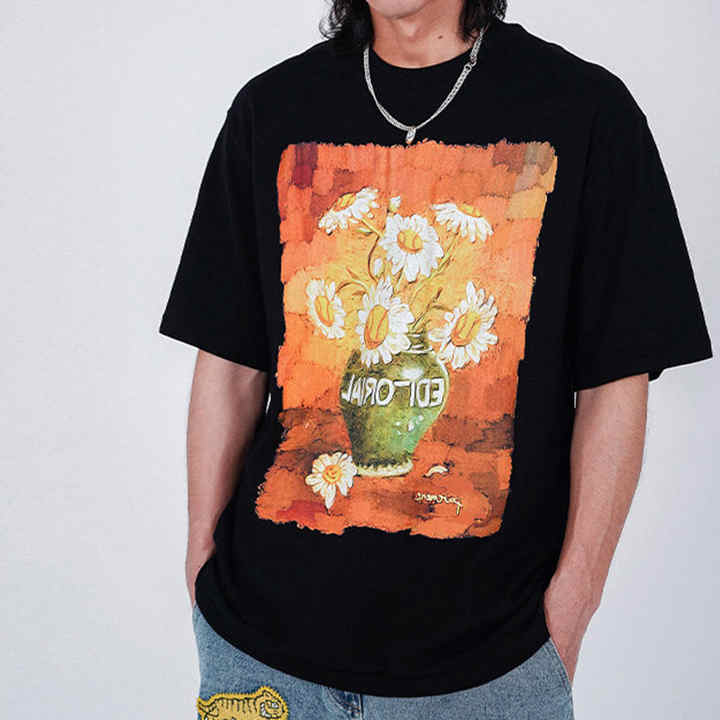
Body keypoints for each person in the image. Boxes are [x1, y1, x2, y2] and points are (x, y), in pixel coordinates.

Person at [159, 1, 713, 718]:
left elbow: (618, 381)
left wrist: (574, 602)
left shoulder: (586, 111)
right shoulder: (271, 109)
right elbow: (230, 362)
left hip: (487, 667)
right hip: (259, 649)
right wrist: (201, 564)